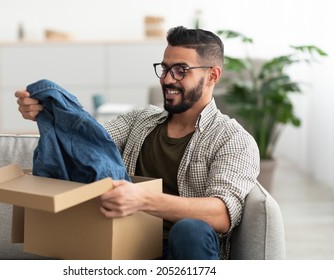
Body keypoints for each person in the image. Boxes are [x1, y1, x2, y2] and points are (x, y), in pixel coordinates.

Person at [15, 26, 260, 260]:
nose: (167, 79)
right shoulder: (140, 120)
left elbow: (222, 214)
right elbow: (90, 140)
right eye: (164, 69)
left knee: (190, 230)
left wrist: (142, 199)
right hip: (123, 243)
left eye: (180, 70)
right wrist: (50, 113)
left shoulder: (233, 139)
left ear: (212, 75)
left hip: (182, 251)